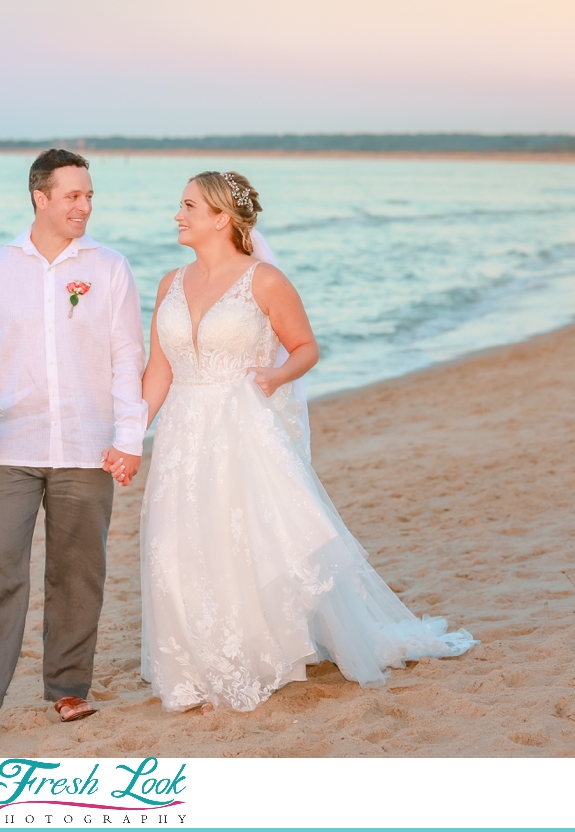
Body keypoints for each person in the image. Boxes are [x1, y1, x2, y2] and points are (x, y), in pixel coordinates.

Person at [119, 170, 476, 713]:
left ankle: (261, 655)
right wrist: (128, 436)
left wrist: (274, 377)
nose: (178, 215)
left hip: (239, 426)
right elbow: (159, 372)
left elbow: (305, 347)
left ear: (221, 217)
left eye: (188, 205)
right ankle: (193, 662)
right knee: (176, 544)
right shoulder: (170, 283)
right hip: (181, 433)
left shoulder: (263, 281)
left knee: (241, 539)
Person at [0, 149, 147, 737]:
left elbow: (126, 358)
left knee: (78, 570)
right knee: (1, 566)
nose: (84, 205)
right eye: (73, 196)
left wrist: (129, 439)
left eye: (89, 196)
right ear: (41, 197)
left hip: (87, 444)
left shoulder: (109, 267)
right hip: (10, 446)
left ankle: (67, 689)